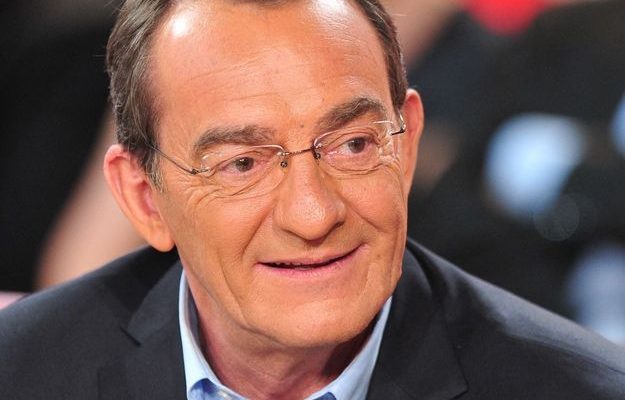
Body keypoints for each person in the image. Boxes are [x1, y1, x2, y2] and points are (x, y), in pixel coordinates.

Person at [1, 0, 624, 399]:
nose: (313, 215)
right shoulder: (21, 371)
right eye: (243, 164)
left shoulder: (575, 388)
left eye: (353, 145)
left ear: (406, 147)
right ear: (144, 199)